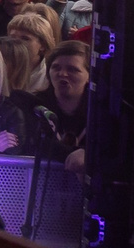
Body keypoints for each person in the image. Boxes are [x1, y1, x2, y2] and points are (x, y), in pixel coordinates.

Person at [26, 41, 91, 170]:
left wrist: (88, 155)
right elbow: (36, 143)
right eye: (56, 67)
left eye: (72, 69)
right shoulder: (35, 105)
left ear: (90, 76)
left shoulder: (99, 111)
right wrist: (71, 155)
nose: (62, 74)